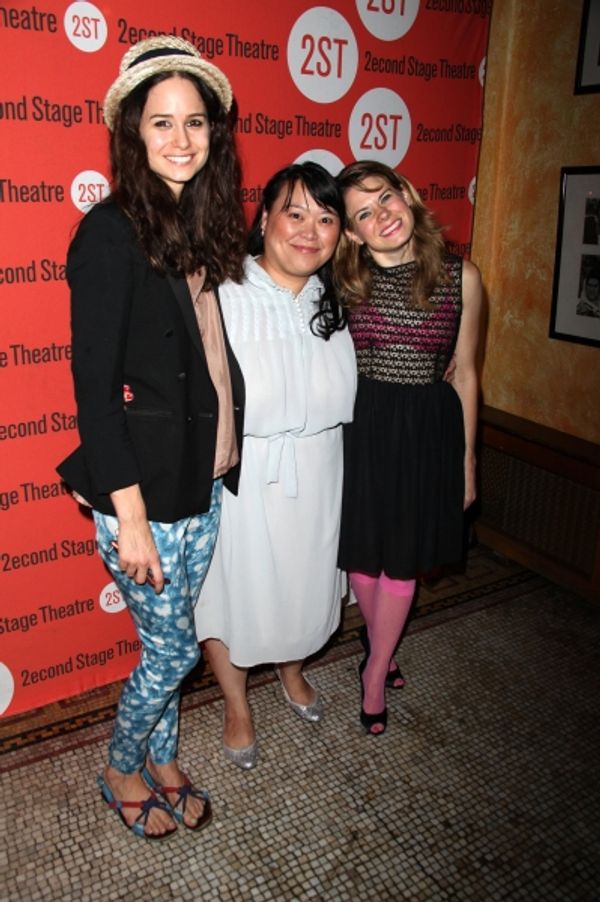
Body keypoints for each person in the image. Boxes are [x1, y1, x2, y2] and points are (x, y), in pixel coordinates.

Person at [57, 36, 246, 837]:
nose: (180, 140)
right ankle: (120, 765)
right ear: (133, 134)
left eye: (195, 122)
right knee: (169, 653)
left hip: (199, 480)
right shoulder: (110, 233)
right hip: (142, 494)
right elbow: (94, 395)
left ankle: (165, 758)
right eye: (161, 123)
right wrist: (129, 517)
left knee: (166, 639)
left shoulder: (196, 221)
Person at [194, 162, 357, 768]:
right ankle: (237, 704)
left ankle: (291, 670)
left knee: (305, 586)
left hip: (321, 470)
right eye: (295, 213)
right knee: (230, 594)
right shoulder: (221, 293)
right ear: (264, 220)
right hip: (244, 475)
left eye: (325, 217)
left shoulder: (340, 299)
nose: (310, 230)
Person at [333, 160, 482, 736]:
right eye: (362, 213)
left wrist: (466, 461)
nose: (381, 216)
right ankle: (383, 647)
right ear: (351, 232)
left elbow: (466, 374)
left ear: (407, 195)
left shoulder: (459, 276)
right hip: (363, 425)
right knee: (363, 553)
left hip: (426, 429)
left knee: (402, 556)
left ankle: (374, 671)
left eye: (384, 198)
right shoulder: (343, 281)